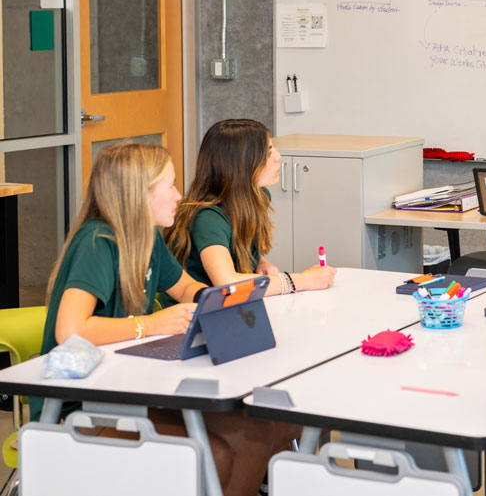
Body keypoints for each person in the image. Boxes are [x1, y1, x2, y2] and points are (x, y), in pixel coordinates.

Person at [31, 142, 297, 496]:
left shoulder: (149, 238)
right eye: (169, 186)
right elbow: (71, 329)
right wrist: (153, 325)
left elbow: (186, 286)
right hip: (81, 407)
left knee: (264, 431)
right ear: (137, 195)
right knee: (213, 453)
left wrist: (216, 303)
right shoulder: (98, 242)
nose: (179, 195)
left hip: (129, 387)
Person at [165, 119, 335, 301]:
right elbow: (226, 282)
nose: (278, 156)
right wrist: (300, 281)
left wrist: (259, 262)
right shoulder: (208, 218)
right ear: (241, 163)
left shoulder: (258, 197)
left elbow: (237, 252)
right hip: (195, 318)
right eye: (268, 152)